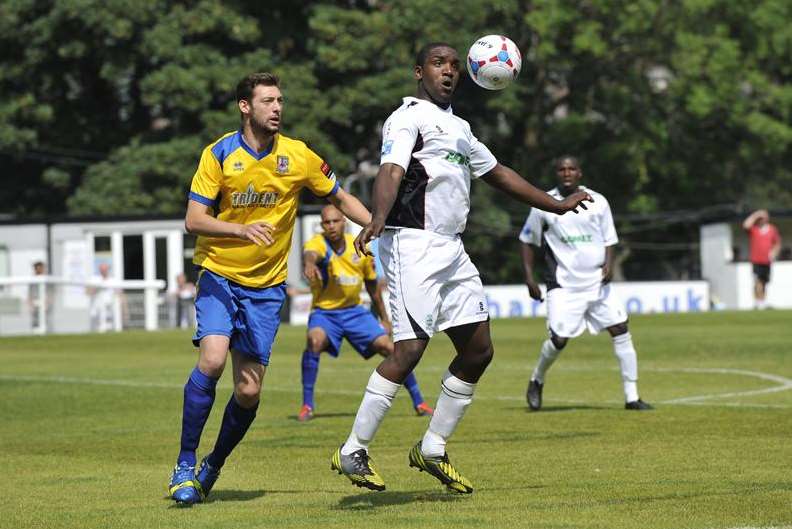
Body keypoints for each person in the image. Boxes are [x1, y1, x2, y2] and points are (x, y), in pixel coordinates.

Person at [330, 43, 591, 494]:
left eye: (454, 64)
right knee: (409, 350)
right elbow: (391, 170)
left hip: (451, 250)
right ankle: (353, 449)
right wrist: (376, 216)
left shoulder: (460, 129)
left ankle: (432, 447)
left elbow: (499, 173)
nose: (449, 71)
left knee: (478, 351)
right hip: (412, 245)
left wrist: (555, 205)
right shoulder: (407, 116)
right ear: (419, 72)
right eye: (439, 63)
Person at [168, 72, 371, 505]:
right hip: (220, 274)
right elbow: (194, 220)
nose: (277, 108)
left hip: (266, 289)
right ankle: (184, 463)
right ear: (245, 106)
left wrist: (375, 225)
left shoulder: (297, 156)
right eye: (267, 101)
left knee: (249, 391)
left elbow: (340, 196)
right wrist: (241, 233)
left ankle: (211, 466)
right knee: (213, 357)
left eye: (280, 100)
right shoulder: (219, 153)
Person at [520, 155, 652, 412]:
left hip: (596, 283)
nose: (567, 172)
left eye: (572, 168)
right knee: (559, 340)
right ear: (556, 173)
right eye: (561, 169)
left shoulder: (599, 201)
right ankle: (537, 379)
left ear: (580, 173)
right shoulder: (543, 203)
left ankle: (632, 396)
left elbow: (609, 239)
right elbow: (526, 240)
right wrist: (528, 277)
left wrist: (609, 264)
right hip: (563, 285)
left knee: (620, 328)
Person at [298, 205, 433, 422]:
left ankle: (419, 401)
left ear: (344, 222)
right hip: (325, 313)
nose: (331, 226)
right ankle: (307, 405)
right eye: (326, 222)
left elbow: (373, 288)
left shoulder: (359, 247)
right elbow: (311, 255)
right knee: (314, 340)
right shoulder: (317, 243)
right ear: (322, 225)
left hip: (355, 312)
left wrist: (385, 319)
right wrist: (308, 264)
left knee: (390, 348)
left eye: (335, 221)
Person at [742, 209, 781, 309]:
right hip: (756, 260)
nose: (761, 220)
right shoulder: (754, 229)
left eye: (763, 218)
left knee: (764, 282)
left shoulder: (772, 229)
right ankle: (758, 302)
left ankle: (762, 302)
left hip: (766, 261)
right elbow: (745, 225)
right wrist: (755, 215)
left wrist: (773, 253)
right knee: (757, 281)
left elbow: (777, 243)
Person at [87, 263, 119, 333]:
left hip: (109, 307)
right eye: (102, 269)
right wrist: (96, 288)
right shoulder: (94, 279)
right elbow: (88, 292)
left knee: (108, 326)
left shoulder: (113, 280)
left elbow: (119, 293)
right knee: (95, 327)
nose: (103, 271)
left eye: (105, 269)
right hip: (96, 308)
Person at [28, 261, 53, 334]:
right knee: (35, 323)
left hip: (45, 304)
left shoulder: (48, 280)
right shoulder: (32, 280)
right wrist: (30, 304)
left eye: (41, 268)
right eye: (37, 268)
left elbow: (51, 293)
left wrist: (48, 302)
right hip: (35, 304)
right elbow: (30, 293)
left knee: (46, 323)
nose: (39, 270)